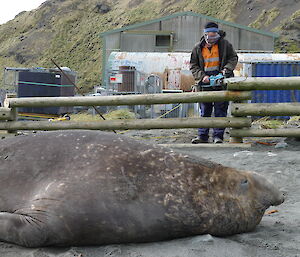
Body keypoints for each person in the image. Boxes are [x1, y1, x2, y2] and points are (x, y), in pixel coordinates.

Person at [190, 21, 238, 144]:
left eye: (213, 36)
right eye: (209, 36)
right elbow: (193, 65)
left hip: (221, 82)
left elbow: (233, 58)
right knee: (204, 110)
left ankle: (218, 136)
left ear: (217, 34)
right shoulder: (197, 48)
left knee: (220, 110)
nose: (211, 39)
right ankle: (202, 136)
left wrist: (225, 71)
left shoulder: (225, 45)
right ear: (205, 34)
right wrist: (202, 77)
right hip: (205, 83)